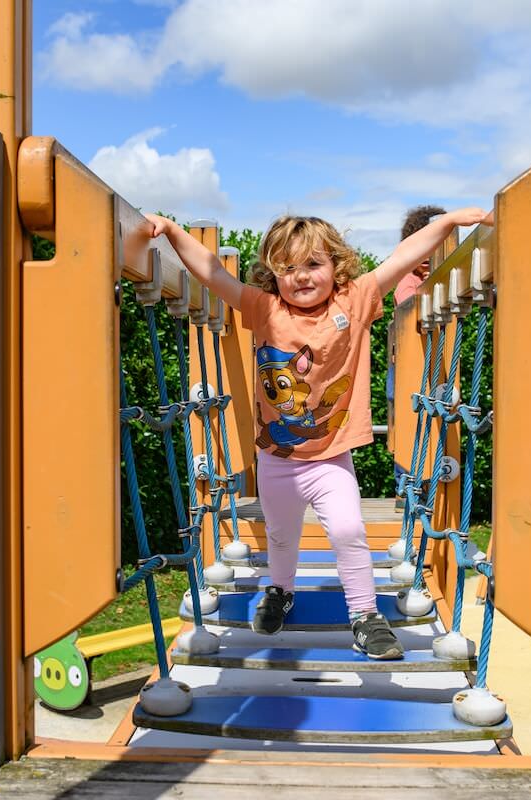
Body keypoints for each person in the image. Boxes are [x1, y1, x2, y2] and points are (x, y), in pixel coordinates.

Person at [145, 209, 492, 659]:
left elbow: (404, 257)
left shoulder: (356, 300)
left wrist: (445, 225)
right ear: (273, 274)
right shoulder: (264, 309)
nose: (301, 277)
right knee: (282, 535)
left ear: (337, 267)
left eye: (313, 264)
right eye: (287, 268)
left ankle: (365, 615)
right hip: (277, 459)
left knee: (348, 529)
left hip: (331, 456)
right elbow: (214, 275)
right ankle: (280, 590)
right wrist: (172, 231)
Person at [388, 205, 447, 496]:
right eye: (418, 249)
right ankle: (406, 484)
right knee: (408, 419)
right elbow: (411, 311)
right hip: (406, 366)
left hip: (432, 363)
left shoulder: (444, 283)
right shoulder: (408, 282)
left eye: (432, 247)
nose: (425, 258)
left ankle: (430, 481)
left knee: (434, 419)